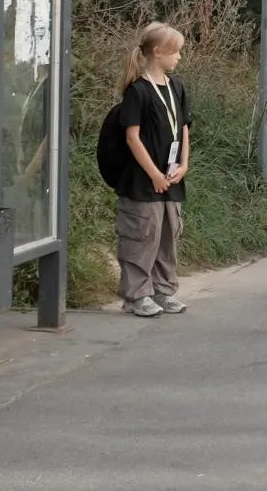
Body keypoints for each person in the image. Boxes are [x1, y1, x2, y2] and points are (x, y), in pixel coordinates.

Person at [114, 22, 191, 319]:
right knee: (142, 236)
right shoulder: (138, 91)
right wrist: (154, 174)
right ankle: (136, 295)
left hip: (171, 178)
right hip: (143, 182)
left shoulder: (177, 87)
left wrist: (183, 165)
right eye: (176, 51)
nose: (179, 57)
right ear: (158, 52)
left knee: (168, 235)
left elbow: (184, 128)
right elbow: (132, 137)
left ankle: (163, 290)